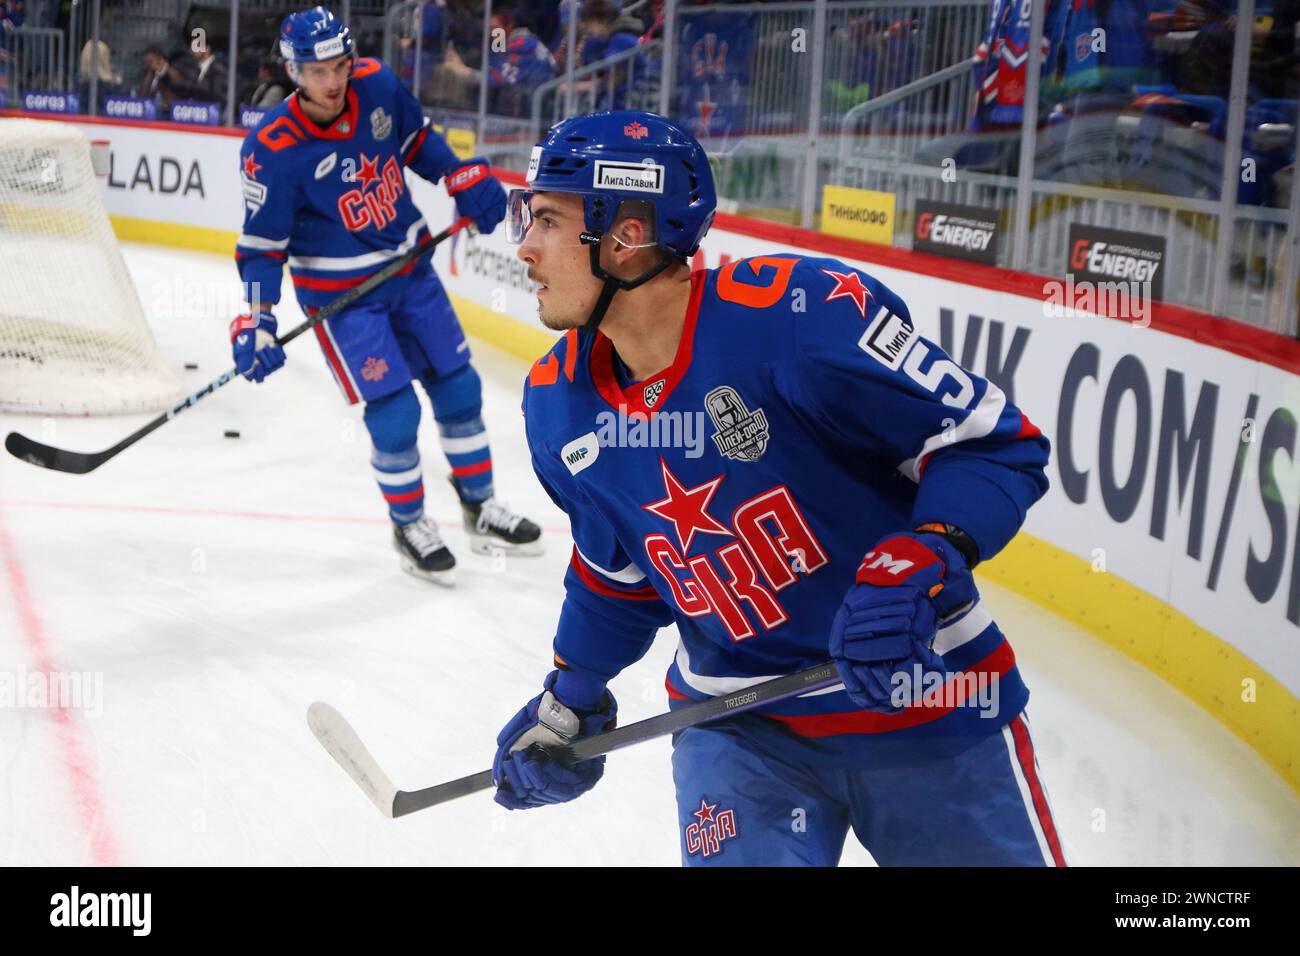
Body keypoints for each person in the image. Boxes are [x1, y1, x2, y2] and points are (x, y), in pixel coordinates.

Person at [490, 110, 1064, 866]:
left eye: (550, 220)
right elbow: (620, 577)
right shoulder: (557, 400)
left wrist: (927, 554)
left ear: (628, 233)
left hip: (925, 701)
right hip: (738, 728)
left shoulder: (797, 318)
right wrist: (571, 697)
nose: (524, 246)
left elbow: (991, 446)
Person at [232, 6, 542, 585]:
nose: (332, 81)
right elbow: (261, 246)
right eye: (316, 71)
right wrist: (257, 319)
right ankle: (410, 525)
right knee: (396, 413)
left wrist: (458, 176)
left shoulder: (375, 84)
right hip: (345, 300)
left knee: (460, 387)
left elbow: (418, 141)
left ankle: (480, 506)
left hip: (411, 270)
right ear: (292, 71)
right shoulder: (270, 147)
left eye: (339, 66)